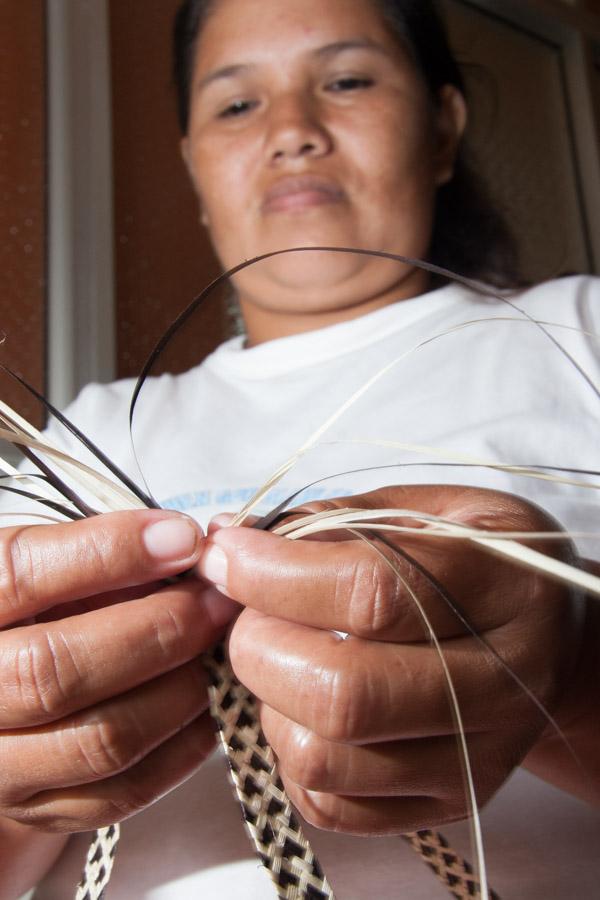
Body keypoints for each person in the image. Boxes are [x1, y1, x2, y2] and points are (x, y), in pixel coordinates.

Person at [0, 0, 599, 898]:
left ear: (443, 129)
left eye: (347, 81)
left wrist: (577, 672)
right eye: (237, 105)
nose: (292, 132)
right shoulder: (84, 433)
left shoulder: (578, 334)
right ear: (193, 164)